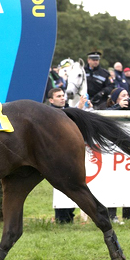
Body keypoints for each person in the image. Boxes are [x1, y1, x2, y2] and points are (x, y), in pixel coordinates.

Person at [104, 87, 130, 223]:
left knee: (129, 184)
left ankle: (127, 216)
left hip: (129, 152)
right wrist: (117, 107)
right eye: (122, 95)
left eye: (127, 95)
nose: (126, 98)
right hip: (114, 153)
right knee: (114, 184)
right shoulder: (111, 109)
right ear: (115, 99)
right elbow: (101, 115)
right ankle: (112, 214)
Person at [47, 87, 76, 224]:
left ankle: (69, 215)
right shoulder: (48, 113)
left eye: (63, 95)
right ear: (51, 100)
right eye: (59, 96)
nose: (63, 98)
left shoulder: (67, 109)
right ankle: (62, 217)